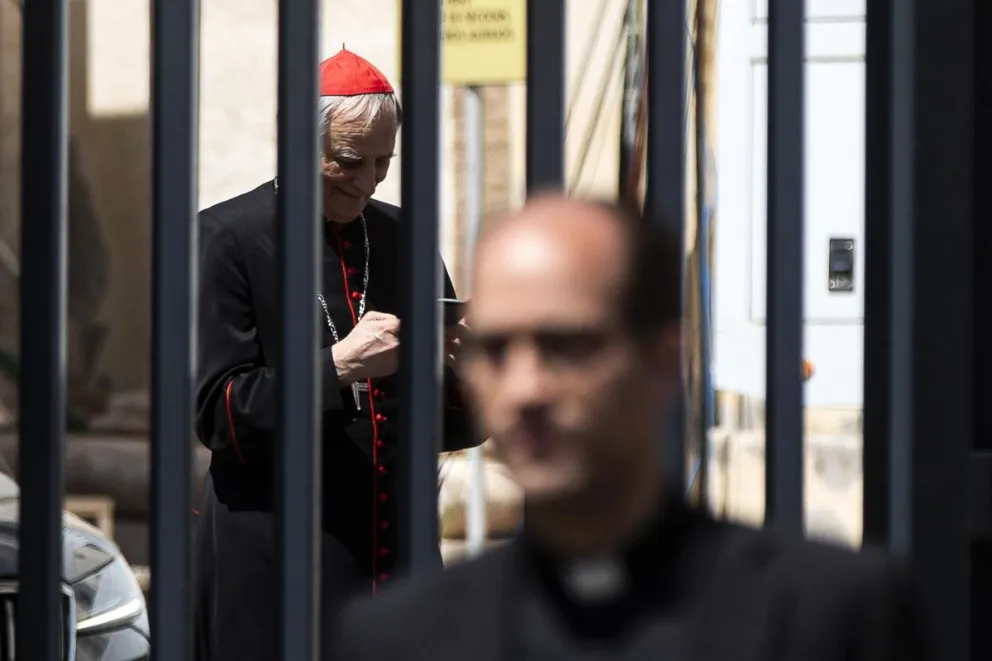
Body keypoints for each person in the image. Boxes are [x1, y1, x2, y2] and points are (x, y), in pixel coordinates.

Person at [328, 194, 926, 660]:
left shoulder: (830, 616)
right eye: (495, 349)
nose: (526, 389)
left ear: (662, 361)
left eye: (568, 347)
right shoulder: (400, 640)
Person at [192, 48, 482, 661]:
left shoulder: (406, 236)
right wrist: (339, 365)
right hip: (275, 557)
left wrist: (466, 373)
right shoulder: (228, 238)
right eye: (349, 160)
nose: (367, 180)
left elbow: (451, 424)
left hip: (396, 558)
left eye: (383, 162)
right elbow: (219, 413)